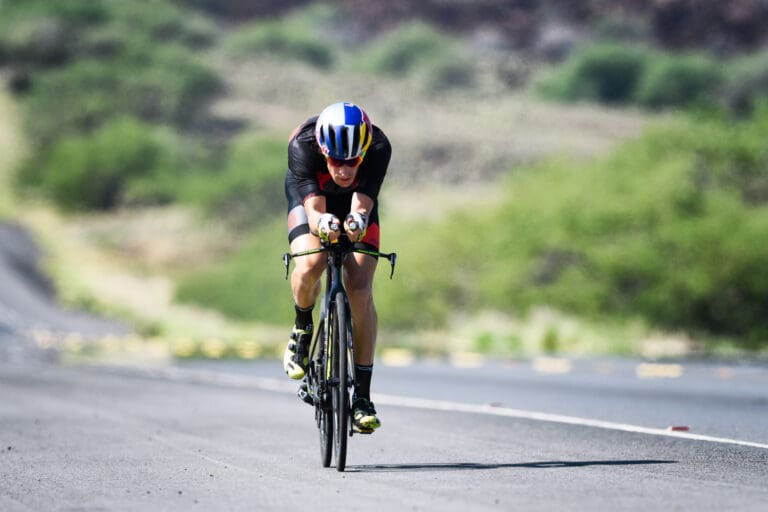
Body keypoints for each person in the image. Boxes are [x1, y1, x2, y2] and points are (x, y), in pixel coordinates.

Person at [283, 101, 391, 432]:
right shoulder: (302, 144)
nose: (343, 171)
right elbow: (314, 212)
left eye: (352, 163)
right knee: (312, 260)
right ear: (323, 151)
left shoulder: (379, 146)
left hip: (354, 202)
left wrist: (357, 220)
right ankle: (302, 327)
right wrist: (326, 223)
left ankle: (361, 397)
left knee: (359, 289)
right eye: (335, 162)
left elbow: (363, 202)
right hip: (312, 202)